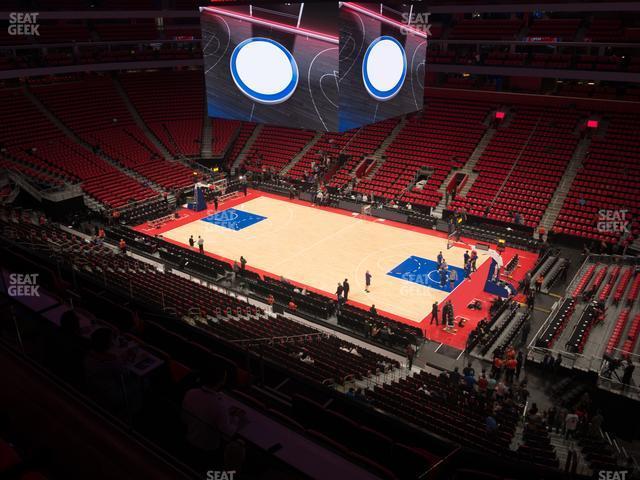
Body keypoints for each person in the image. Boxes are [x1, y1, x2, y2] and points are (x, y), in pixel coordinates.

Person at [182, 366, 244, 468]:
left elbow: (184, 418)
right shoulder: (219, 405)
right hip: (209, 450)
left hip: (189, 441)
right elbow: (227, 433)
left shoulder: (190, 393)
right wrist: (236, 418)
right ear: (221, 381)